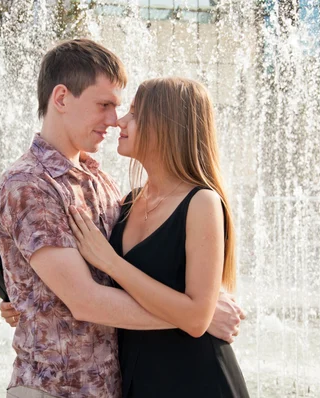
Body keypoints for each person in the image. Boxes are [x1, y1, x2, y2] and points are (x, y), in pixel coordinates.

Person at [0, 39, 245, 398]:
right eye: (105, 105)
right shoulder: (29, 186)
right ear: (61, 98)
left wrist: (199, 308)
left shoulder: (105, 185)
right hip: (56, 388)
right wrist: (198, 318)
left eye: (123, 109)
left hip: (124, 384)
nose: (115, 120)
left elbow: (146, 267)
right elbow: (85, 300)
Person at [68, 77, 249, 397]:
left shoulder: (201, 203)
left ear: (168, 125)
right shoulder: (128, 202)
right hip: (141, 380)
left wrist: (112, 263)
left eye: (135, 114)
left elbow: (196, 318)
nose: (120, 121)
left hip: (196, 382)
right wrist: (22, 296)